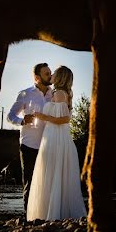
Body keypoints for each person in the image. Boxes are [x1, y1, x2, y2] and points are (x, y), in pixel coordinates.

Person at [26, 66, 87, 221]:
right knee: (52, 171)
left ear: (59, 77)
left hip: (57, 138)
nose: (51, 75)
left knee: (53, 171)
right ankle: (51, 212)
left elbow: (65, 120)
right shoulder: (58, 93)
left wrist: (43, 116)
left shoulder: (60, 94)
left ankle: (54, 214)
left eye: (54, 73)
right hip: (52, 136)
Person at [6, 63, 53, 215]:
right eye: (47, 74)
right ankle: (29, 217)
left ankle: (45, 215)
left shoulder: (55, 95)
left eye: (50, 73)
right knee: (30, 181)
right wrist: (21, 120)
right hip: (29, 144)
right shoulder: (25, 94)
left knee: (47, 182)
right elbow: (10, 116)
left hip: (49, 144)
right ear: (37, 78)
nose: (50, 76)